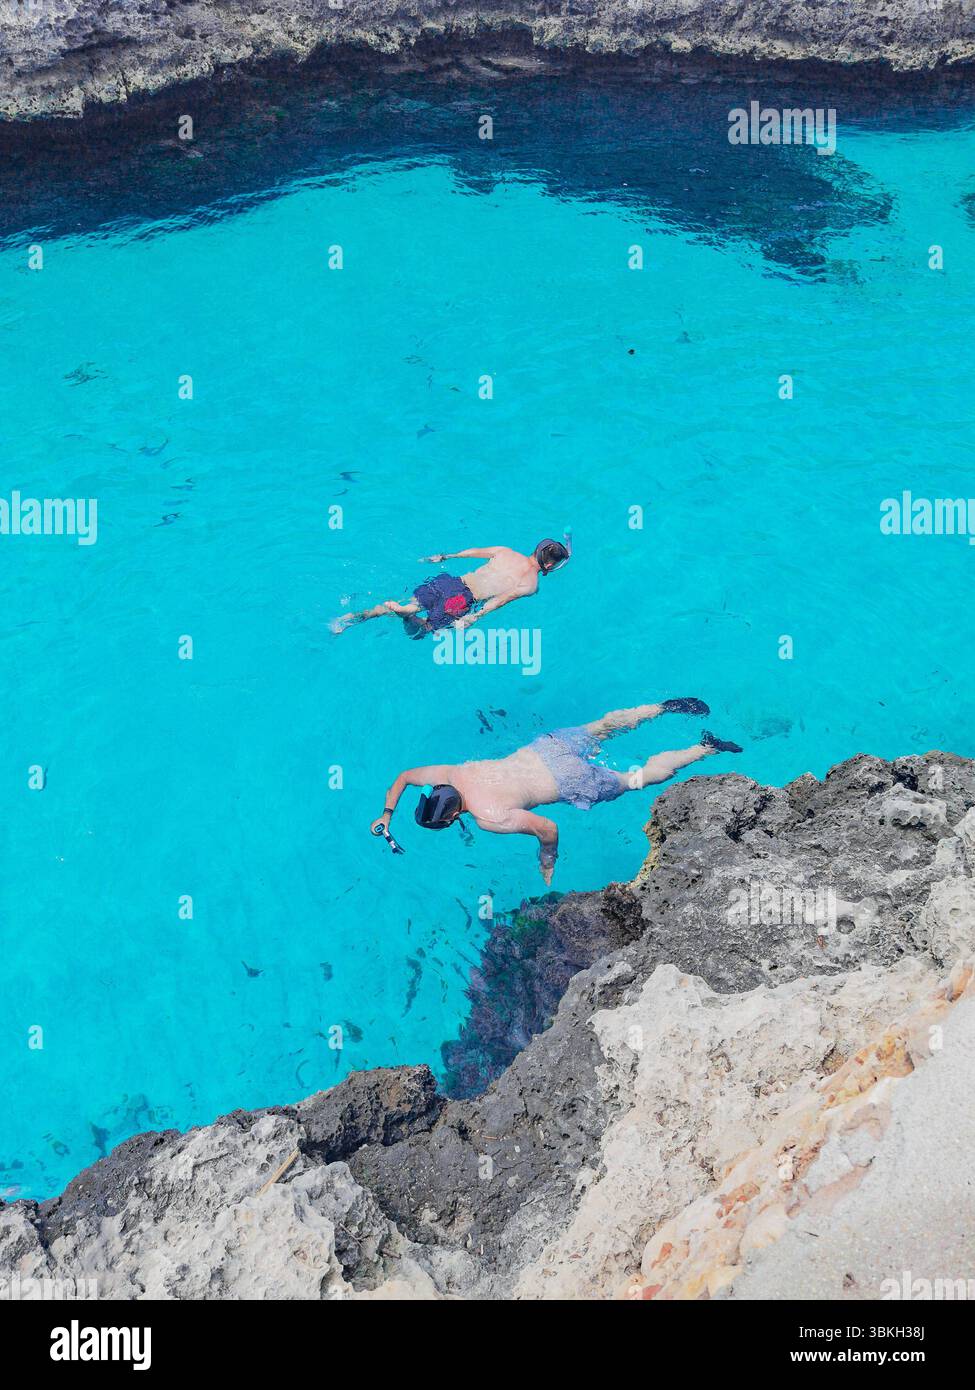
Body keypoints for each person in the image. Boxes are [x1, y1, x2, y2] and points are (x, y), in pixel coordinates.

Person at [370, 698, 742, 883]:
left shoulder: (488, 817)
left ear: (452, 817)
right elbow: (403, 776)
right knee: (604, 726)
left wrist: (547, 861)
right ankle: (662, 708)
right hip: (546, 748)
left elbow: (549, 829)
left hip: (568, 781)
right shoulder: (448, 772)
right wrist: (386, 814)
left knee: (636, 779)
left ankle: (704, 747)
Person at [331, 537, 570, 637]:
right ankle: (406, 616)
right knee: (426, 629)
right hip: (464, 600)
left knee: (407, 604)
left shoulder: (506, 551)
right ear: (549, 564)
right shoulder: (530, 584)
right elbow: (499, 600)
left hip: (452, 581)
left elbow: (471, 552)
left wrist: (446, 556)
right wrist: (474, 617)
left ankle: (347, 619)